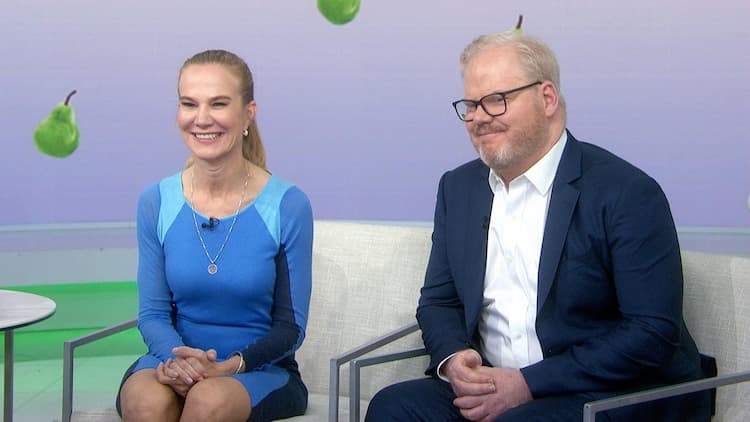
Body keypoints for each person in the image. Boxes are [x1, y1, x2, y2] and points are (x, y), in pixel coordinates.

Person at [365, 30, 714, 421]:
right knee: (393, 408)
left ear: (547, 98)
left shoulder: (626, 192)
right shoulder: (458, 188)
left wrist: (527, 383)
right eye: (471, 105)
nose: (479, 117)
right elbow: (439, 301)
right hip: (496, 383)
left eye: (496, 101)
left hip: (606, 388)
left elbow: (651, 332)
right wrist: (454, 357)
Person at [117, 49, 313, 422]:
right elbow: (153, 313)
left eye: (218, 103)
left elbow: (291, 327)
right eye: (189, 103)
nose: (202, 119)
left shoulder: (289, 205)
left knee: (208, 401)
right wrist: (181, 364)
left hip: (257, 370)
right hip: (170, 359)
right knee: (146, 402)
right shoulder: (155, 201)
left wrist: (228, 367)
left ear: (248, 114)